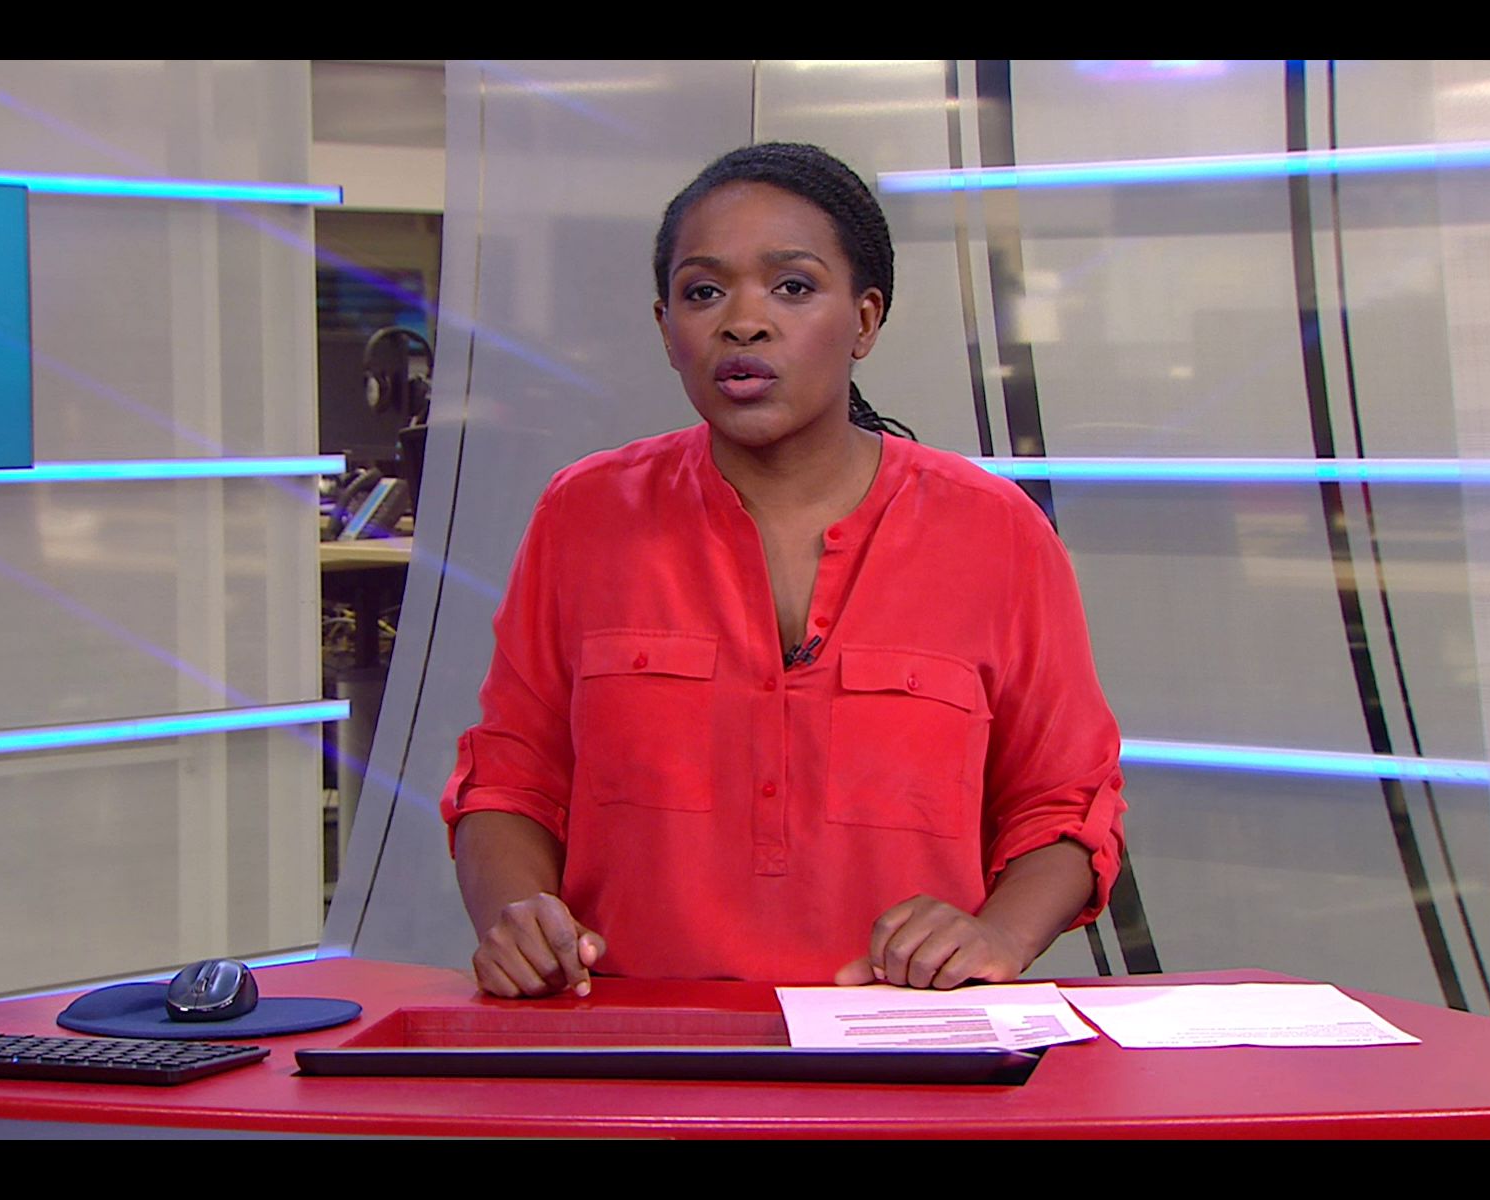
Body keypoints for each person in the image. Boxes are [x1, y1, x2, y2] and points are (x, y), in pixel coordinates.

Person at [442, 142, 1126, 998]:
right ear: (666, 329)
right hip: (632, 1041)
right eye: (703, 292)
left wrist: (998, 936)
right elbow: (511, 781)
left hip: (908, 1042)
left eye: (793, 287)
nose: (743, 322)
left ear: (866, 320)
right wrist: (517, 918)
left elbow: (1065, 804)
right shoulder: (585, 514)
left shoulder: (995, 530)